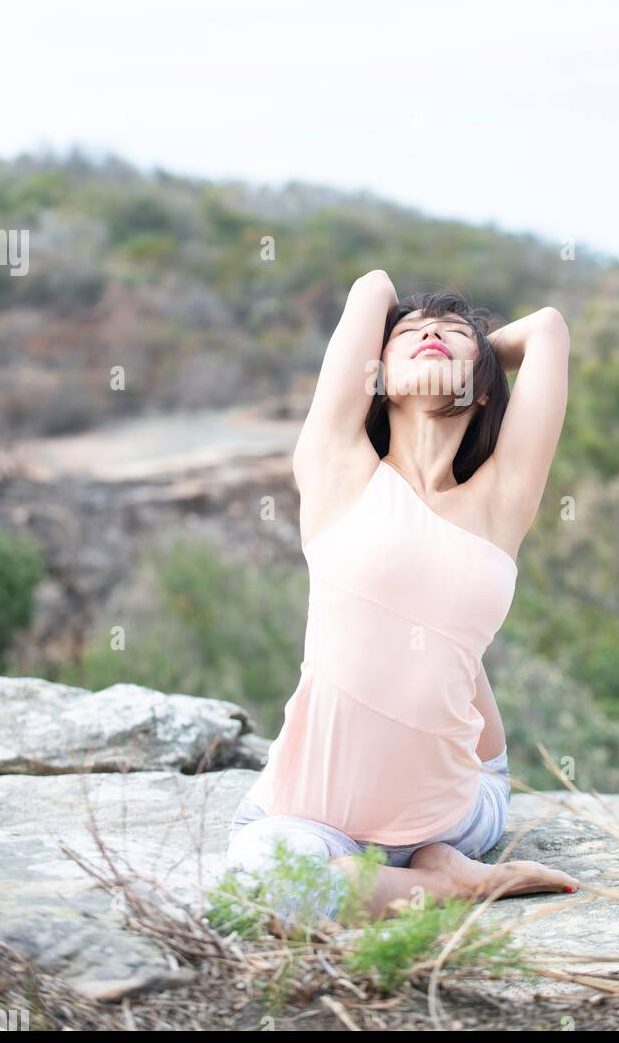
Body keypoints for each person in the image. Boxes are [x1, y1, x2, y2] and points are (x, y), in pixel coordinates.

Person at [225, 271, 579, 927]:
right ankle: (459, 886)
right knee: (266, 887)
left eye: (452, 331)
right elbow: (370, 286)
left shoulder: (499, 502)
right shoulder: (337, 469)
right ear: (373, 377)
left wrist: (478, 361)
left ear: (483, 396)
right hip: (311, 816)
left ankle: (437, 860)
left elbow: (548, 327)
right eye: (410, 333)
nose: (433, 333)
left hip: (459, 805)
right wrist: (452, 352)